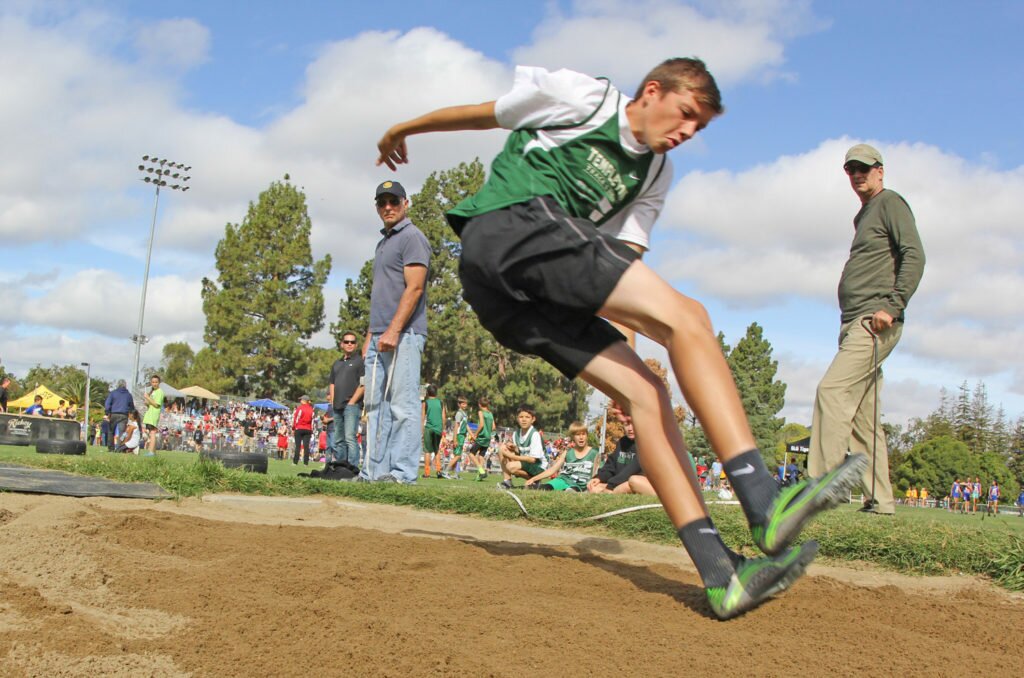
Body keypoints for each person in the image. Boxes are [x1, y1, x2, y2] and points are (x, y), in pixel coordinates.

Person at [377, 57, 866, 619]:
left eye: (699, 128)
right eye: (685, 114)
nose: (686, 132)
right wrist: (405, 128)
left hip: (513, 303)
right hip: (509, 228)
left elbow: (620, 267)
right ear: (652, 91)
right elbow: (486, 115)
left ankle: (721, 575)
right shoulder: (587, 99)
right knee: (692, 317)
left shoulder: (656, 174)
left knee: (649, 398)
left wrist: (629, 365)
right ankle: (764, 501)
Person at [808, 144, 926, 516]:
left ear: (880, 171)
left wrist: (893, 305)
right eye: (851, 170)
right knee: (863, 420)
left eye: (864, 168)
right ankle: (882, 501)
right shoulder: (865, 214)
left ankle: (823, 490)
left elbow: (914, 254)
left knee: (831, 391)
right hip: (855, 321)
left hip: (874, 322)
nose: (857, 175)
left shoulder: (890, 202)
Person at [360, 180, 430, 484]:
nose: (388, 207)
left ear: (406, 203)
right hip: (379, 335)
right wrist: (371, 336)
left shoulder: (412, 238)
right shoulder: (383, 242)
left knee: (403, 406)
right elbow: (382, 296)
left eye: (394, 201)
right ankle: (373, 473)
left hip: (404, 334)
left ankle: (402, 475)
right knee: (375, 407)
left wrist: (393, 330)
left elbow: (414, 288)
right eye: (382, 203)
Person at [328, 331, 365, 470]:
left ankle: (353, 469)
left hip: (352, 406)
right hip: (337, 406)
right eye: (347, 342)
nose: (350, 344)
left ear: (356, 345)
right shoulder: (336, 363)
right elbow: (332, 383)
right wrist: (332, 400)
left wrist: (352, 402)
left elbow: (363, 384)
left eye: (352, 342)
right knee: (338, 440)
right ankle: (340, 467)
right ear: (341, 344)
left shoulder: (359, 362)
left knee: (350, 438)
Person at [526, 421, 598, 492]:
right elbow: (553, 469)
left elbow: (598, 474)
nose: (581, 437)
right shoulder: (568, 452)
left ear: (587, 435)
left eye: (583, 434)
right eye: (578, 435)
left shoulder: (594, 453)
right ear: (573, 437)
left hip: (580, 486)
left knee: (572, 491)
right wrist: (534, 479)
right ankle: (517, 490)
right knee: (543, 488)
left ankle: (568, 491)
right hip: (564, 480)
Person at [498, 405, 547, 489]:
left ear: (533, 419)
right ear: (517, 419)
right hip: (526, 463)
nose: (524, 419)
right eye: (521, 417)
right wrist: (514, 448)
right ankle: (507, 481)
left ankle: (535, 480)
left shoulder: (534, 434)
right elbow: (520, 452)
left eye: (527, 417)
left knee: (511, 466)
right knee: (502, 448)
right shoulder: (516, 433)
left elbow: (533, 459)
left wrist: (511, 456)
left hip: (538, 466)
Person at [588, 420, 643, 494]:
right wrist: (599, 477)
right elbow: (611, 466)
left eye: (633, 424)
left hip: (635, 484)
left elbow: (631, 470)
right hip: (617, 482)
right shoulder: (622, 442)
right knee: (595, 487)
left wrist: (610, 486)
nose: (630, 429)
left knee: (629, 484)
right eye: (626, 424)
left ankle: (607, 493)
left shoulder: (645, 444)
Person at [441, 396, 470, 479]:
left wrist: (471, 434)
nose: (465, 405)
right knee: (457, 455)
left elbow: (466, 425)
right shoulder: (459, 414)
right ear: (459, 404)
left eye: (466, 403)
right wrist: (455, 439)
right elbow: (456, 427)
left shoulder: (465, 414)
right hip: (459, 435)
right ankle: (445, 471)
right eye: (463, 403)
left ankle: (456, 474)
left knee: (458, 456)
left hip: (463, 436)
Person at [421, 384, 446, 478]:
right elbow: (444, 418)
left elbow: (423, 417)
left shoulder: (425, 403)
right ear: (436, 392)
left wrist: (422, 430)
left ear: (427, 392)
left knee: (427, 451)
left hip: (429, 428)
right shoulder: (441, 403)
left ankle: (427, 473)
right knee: (436, 450)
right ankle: (439, 471)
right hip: (438, 429)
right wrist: (442, 429)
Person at [466, 396, 494, 482]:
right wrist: (487, 430)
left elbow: (481, 424)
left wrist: (475, 434)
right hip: (488, 437)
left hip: (481, 437)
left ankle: (481, 470)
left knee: (471, 453)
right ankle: (480, 476)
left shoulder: (481, 412)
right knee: (481, 456)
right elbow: (493, 427)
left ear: (479, 404)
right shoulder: (490, 413)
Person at [104, 380, 135, 452]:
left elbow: (107, 403)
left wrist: (107, 412)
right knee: (122, 433)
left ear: (118, 385)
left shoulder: (113, 393)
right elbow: (132, 406)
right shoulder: (128, 395)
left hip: (114, 414)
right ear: (125, 385)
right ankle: (119, 448)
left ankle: (110, 448)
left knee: (111, 431)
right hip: (124, 415)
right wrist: (131, 412)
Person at [142, 375, 165, 456]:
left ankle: (151, 452)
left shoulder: (160, 392)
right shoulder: (153, 392)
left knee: (152, 433)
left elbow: (156, 404)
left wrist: (148, 398)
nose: (154, 384)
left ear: (159, 383)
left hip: (154, 415)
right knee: (151, 433)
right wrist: (147, 402)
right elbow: (151, 404)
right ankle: (153, 452)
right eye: (153, 382)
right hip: (149, 414)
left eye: (156, 382)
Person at [292, 395, 315, 465]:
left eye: (301, 399)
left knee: (298, 446)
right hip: (308, 429)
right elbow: (312, 421)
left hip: (299, 428)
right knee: (306, 446)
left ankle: (295, 462)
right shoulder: (311, 409)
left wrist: (294, 428)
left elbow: (296, 419)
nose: (300, 401)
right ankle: (306, 463)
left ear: (304, 400)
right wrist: (311, 430)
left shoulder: (300, 408)